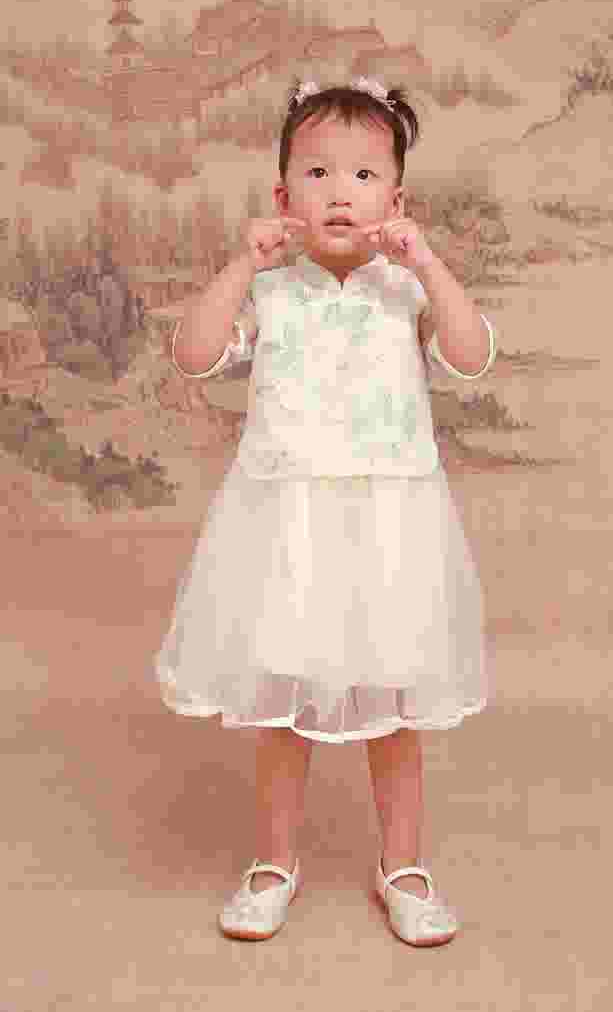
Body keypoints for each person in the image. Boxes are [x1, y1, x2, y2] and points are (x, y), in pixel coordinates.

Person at [154, 75, 498, 946]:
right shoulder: (273, 292)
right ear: (283, 200)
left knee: (396, 712)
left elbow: (470, 356)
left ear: (396, 202)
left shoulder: (405, 290)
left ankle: (403, 866)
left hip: (390, 529)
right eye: (316, 174)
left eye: (363, 175)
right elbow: (193, 354)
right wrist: (243, 264)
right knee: (282, 708)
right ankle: (274, 862)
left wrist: (427, 264)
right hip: (289, 529)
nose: (340, 192)